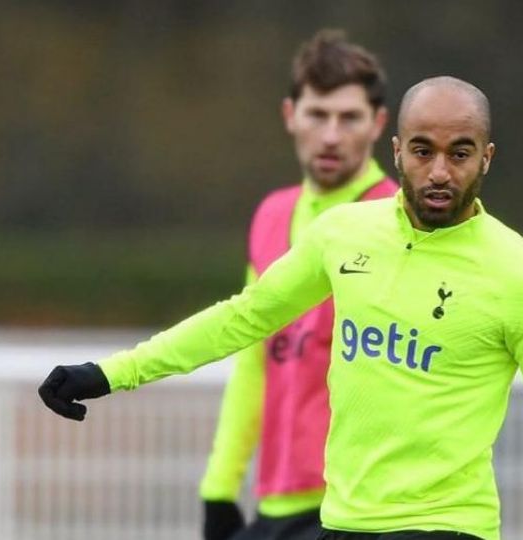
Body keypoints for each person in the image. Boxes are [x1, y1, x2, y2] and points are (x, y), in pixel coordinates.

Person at [39, 76, 523, 540]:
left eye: (460, 154)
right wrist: (111, 372)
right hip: (342, 521)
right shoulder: (344, 235)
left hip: (446, 526)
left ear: (487, 158)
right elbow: (246, 317)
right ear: (398, 151)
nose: (439, 172)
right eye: (423, 151)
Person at [201, 30, 397, 540]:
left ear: (378, 123)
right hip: (278, 499)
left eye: (349, 117)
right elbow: (252, 356)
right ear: (291, 115)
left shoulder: (397, 219)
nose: (331, 135)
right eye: (318, 114)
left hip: (361, 507)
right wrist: (220, 485)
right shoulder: (271, 215)